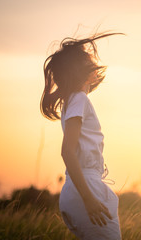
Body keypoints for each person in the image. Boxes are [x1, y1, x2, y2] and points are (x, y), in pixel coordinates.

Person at [40, 32, 122, 239]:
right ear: (80, 69)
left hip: (74, 188)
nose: (93, 62)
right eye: (88, 59)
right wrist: (89, 199)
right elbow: (67, 151)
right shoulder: (78, 99)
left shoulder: (72, 101)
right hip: (85, 187)